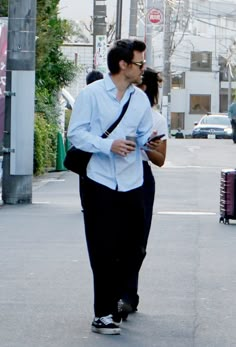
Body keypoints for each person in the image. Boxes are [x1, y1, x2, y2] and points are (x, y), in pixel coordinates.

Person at [67, 39, 159, 335]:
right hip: (99, 181)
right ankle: (103, 313)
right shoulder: (92, 95)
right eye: (140, 64)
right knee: (102, 247)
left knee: (134, 247)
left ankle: (118, 297)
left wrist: (148, 142)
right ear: (124, 65)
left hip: (133, 181)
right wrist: (109, 145)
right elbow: (76, 135)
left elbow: (144, 135)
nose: (143, 69)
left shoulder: (140, 100)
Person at [122, 67, 168, 315]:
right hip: (113, 174)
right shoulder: (116, 111)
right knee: (113, 239)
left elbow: (160, 159)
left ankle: (128, 295)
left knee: (137, 241)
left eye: (135, 84)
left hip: (141, 177)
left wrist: (144, 145)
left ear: (143, 89)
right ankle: (115, 294)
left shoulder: (156, 119)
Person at [79, 70, 104, 211]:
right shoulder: (105, 99)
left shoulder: (84, 96)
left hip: (85, 145)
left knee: (84, 176)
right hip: (101, 145)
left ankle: (85, 204)